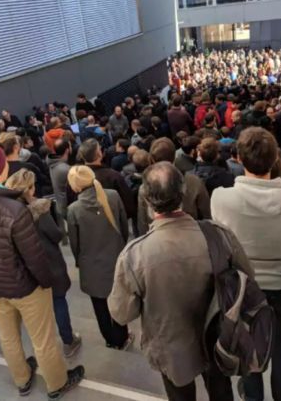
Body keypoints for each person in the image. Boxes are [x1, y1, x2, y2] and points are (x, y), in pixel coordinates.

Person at [108, 162, 254, 401]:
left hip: (171, 349)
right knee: (221, 392)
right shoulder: (219, 234)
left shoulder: (134, 254)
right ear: (183, 192)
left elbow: (122, 314)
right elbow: (248, 278)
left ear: (145, 198)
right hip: (218, 338)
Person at [0, 145, 85, 399]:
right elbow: (34, 257)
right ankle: (57, 383)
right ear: (2, 168)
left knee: (8, 336)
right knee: (43, 339)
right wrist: (46, 282)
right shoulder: (13, 209)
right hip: (25, 288)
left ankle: (22, 379)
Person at [209, 128, 281, 401]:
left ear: (239, 158)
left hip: (245, 286)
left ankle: (254, 396)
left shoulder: (221, 198)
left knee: (248, 344)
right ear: (276, 157)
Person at [5, 169, 83, 358]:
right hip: (50, 264)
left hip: (26, 268)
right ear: (30, 189)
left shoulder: (7, 211)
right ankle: (68, 340)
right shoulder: (40, 209)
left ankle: (44, 348)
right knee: (58, 302)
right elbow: (56, 235)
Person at [66, 166, 133, 350]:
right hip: (115, 258)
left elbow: (75, 243)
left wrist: (80, 261)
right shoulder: (112, 196)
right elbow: (123, 227)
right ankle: (122, 337)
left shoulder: (73, 210)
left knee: (100, 306)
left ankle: (110, 339)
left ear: (75, 186)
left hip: (91, 265)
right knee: (119, 301)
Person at [136, 138, 210, 235]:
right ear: (174, 157)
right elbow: (206, 216)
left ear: (152, 159)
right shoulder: (194, 181)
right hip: (191, 235)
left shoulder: (144, 188)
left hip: (160, 239)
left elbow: (143, 224)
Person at [77, 139, 137, 221]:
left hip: (86, 224)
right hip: (113, 221)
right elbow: (129, 206)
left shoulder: (75, 179)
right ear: (99, 154)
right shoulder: (114, 176)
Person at [47, 138, 73, 230]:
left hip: (60, 203)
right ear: (67, 150)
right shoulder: (66, 169)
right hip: (68, 207)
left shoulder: (53, 163)